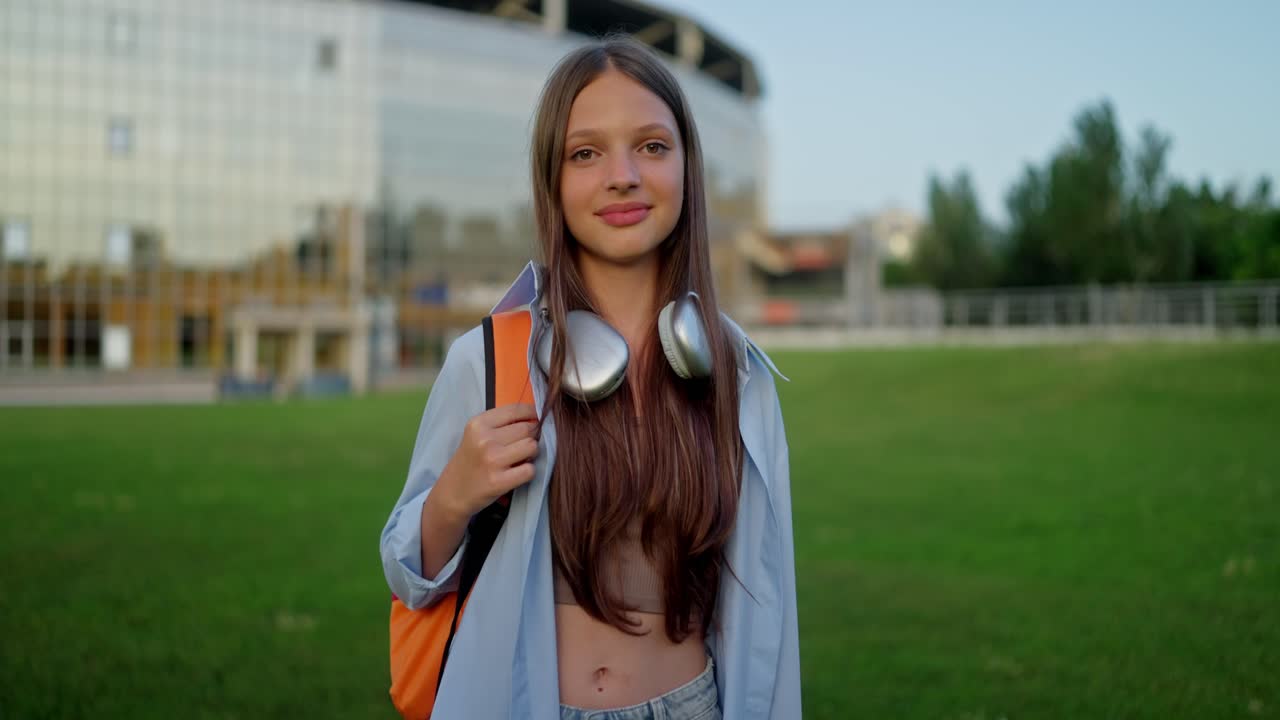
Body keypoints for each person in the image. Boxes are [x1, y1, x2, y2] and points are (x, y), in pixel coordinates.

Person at [380, 36, 801, 720]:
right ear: (552, 180)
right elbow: (408, 574)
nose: (623, 175)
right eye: (586, 152)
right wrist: (453, 497)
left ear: (688, 169)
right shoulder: (487, 360)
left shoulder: (735, 373)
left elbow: (769, 609)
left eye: (653, 147)